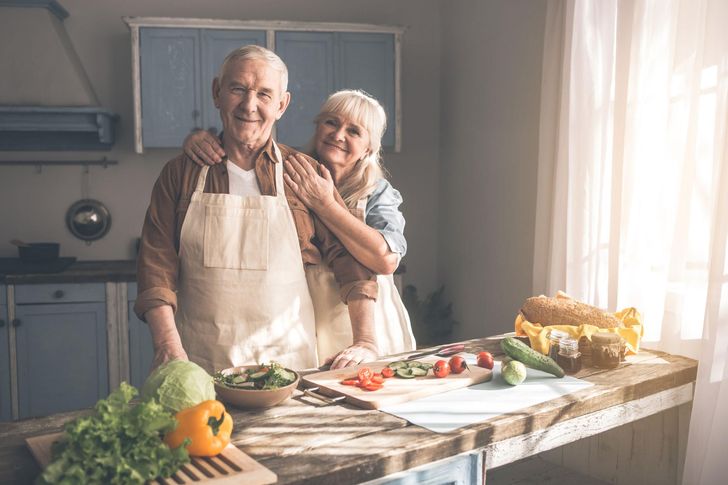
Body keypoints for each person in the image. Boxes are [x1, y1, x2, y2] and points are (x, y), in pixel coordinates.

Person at [135, 46, 380, 374]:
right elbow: (155, 266)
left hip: (289, 367)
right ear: (216, 93)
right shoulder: (180, 173)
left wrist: (366, 340)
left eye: (264, 94)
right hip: (198, 362)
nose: (249, 106)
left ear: (282, 105)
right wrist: (167, 347)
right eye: (238, 89)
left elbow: (348, 261)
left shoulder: (305, 174)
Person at [183, 89, 416, 366]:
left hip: (368, 328)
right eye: (331, 122)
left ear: (369, 148)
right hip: (305, 321)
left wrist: (325, 204)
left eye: (354, 131)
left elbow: (385, 259)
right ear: (317, 125)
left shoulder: (377, 192)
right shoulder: (288, 170)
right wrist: (198, 139)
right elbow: (245, 151)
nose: (338, 135)